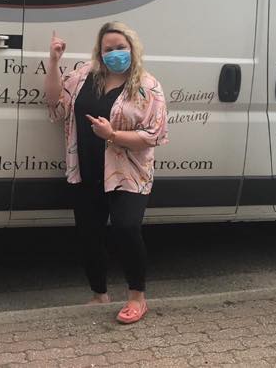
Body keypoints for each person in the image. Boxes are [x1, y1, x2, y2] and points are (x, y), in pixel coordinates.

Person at [45, 22, 169, 325]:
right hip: (86, 169)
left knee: (127, 228)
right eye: (108, 49)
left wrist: (112, 135)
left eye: (121, 47)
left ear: (133, 48)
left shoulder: (147, 85)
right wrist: (54, 62)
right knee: (89, 235)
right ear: (99, 52)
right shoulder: (84, 75)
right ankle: (99, 294)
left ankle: (137, 297)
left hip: (128, 173)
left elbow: (154, 134)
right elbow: (56, 105)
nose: (115, 54)